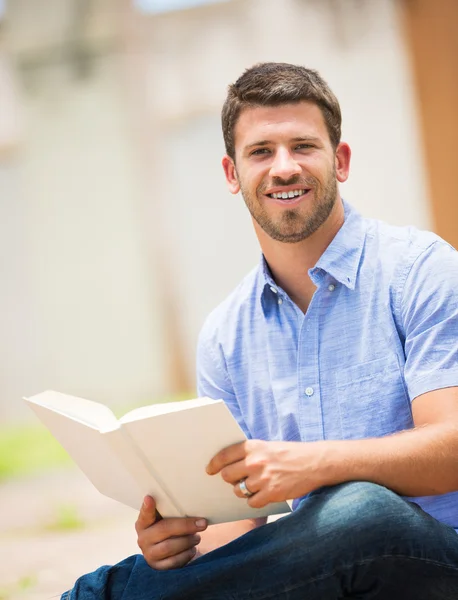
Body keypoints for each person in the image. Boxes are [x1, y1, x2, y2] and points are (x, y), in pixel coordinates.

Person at [62, 62, 458, 599]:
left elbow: (451, 452)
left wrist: (313, 466)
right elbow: (238, 522)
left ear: (340, 161)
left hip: (434, 560)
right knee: (183, 568)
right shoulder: (226, 335)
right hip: (329, 576)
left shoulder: (420, 269)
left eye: (303, 146)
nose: (285, 168)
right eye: (261, 151)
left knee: (359, 509)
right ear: (232, 174)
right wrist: (184, 550)